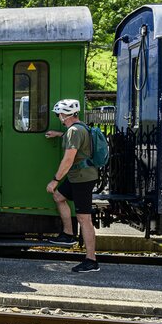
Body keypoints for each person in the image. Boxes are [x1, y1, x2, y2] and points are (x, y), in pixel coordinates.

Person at [44, 98, 99, 273]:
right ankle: (68, 235)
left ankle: (91, 260)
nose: (58, 116)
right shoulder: (79, 127)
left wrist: (55, 179)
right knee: (59, 196)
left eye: (58, 114)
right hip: (79, 176)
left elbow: (68, 159)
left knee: (85, 219)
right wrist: (58, 134)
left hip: (82, 178)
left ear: (62, 115)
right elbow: (78, 141)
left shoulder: (73, 131)